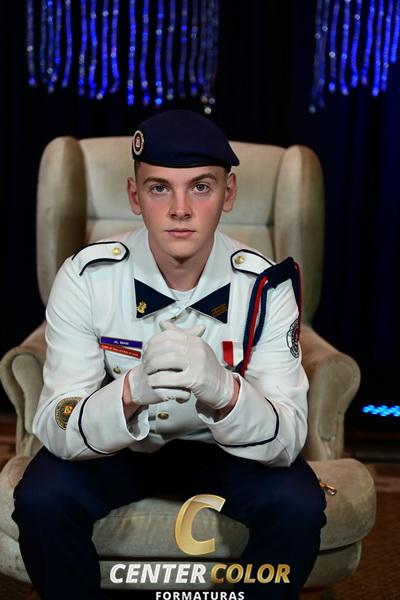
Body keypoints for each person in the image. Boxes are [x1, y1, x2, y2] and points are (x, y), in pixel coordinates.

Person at [12, 109, 326, 600]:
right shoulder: (87, 277)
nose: (180, 209)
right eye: (159, 188)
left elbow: (288, 437)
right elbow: (56, 422)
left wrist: (224, 391)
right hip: (122, 448)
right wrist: (130, 391)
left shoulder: (266, 285)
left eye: (201, 187)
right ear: (134, 196)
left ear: (229, 193)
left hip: (224, 452)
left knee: (299, 507)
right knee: (41, 498)